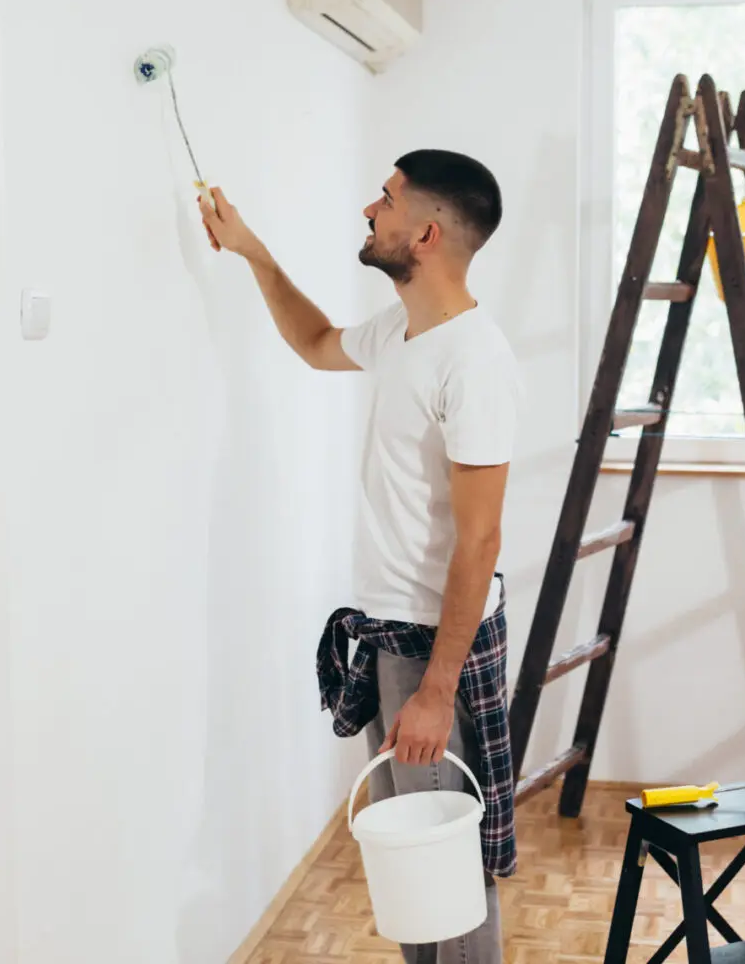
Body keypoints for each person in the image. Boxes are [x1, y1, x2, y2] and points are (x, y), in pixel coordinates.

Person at [199, 150, 519, 964]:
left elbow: (481, 539)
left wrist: (437, 691)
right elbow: (312, 342)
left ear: (427, 231)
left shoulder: (473, 359)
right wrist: (253, 252)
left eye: (386, 199)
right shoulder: (403, 332)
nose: (369, 211)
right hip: (389, 630)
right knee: (407, 849)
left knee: (448, 856)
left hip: (434, 643)